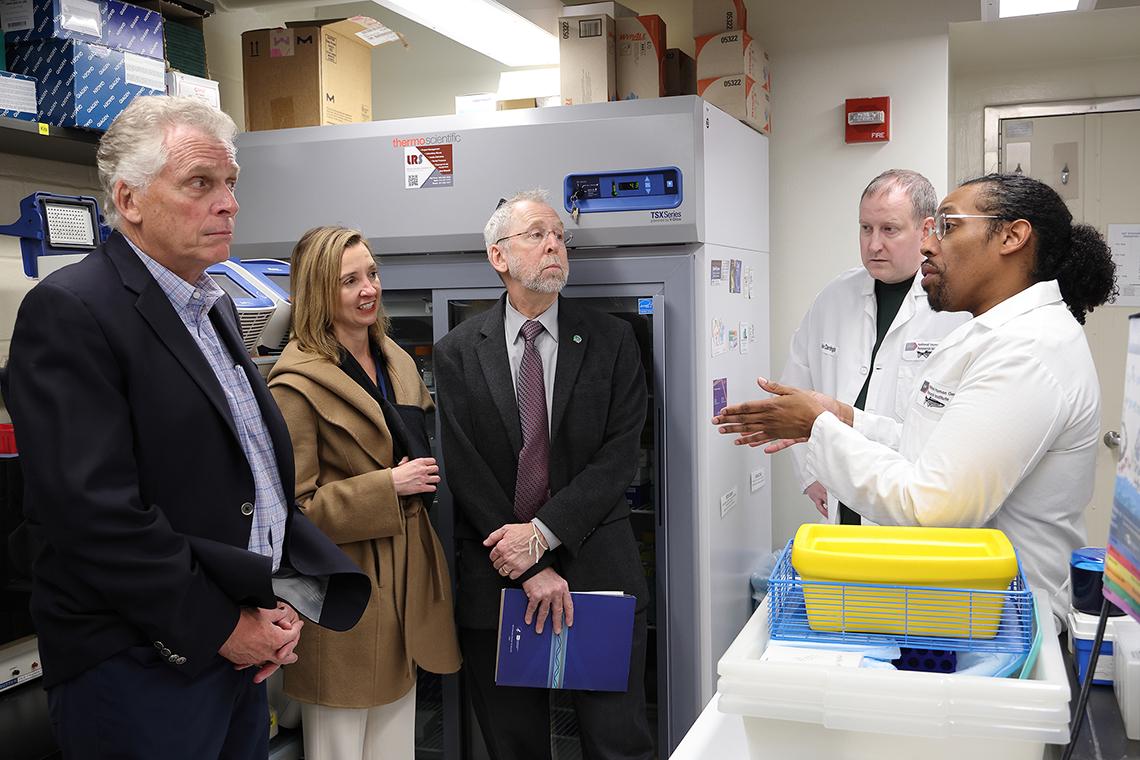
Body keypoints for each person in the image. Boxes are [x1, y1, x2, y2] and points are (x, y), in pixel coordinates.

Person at [2, 96, 369, 758]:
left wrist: (278, 593)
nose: (228, 203)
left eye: (231, 184)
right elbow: (94, 515)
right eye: (201, 184)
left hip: (231, 646)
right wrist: (221, 625)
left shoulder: (214, 308)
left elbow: (250, 477)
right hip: (139, 661)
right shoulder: (71, 311)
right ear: (130, 199)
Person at [715, 173, 1117, 618]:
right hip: (963, 604)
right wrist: (846, 417)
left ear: (1012, 236)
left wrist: (817, 426)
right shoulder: (994, 334)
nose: (930, 244)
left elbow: (933, 509)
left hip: (1007, 618)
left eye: (947, 226)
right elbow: (928, 448)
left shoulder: (1028, 350)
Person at [434, 190, 654, 760]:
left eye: (559, 235)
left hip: (597, 572)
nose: (554, 244)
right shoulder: (457, 351)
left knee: (616, 743)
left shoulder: (612, 340)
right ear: (499, 256)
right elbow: (463, 464)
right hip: (499, 577)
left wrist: (543, 535)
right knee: (515, 746)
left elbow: (618, 456)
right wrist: (528, 561)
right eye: (536, 234)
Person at [267, 226, 461, 760]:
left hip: (406, 579)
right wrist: (388, 485)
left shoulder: (395, 361)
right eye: (348, 280)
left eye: (372, 273)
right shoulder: (295, 385)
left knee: (397, 743)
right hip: (345, 591)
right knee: (340, 747)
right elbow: (294, 513)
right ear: (317, 292)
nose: (368, 288)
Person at [781, 169, 969, 523]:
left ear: (927, 230)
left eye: (889, 229)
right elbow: (796, 388)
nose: (873, 244)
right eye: (866, 228)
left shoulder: (954, 309)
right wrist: (810, 476)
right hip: (838, 490)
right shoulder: (835, 297)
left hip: (909, 504)